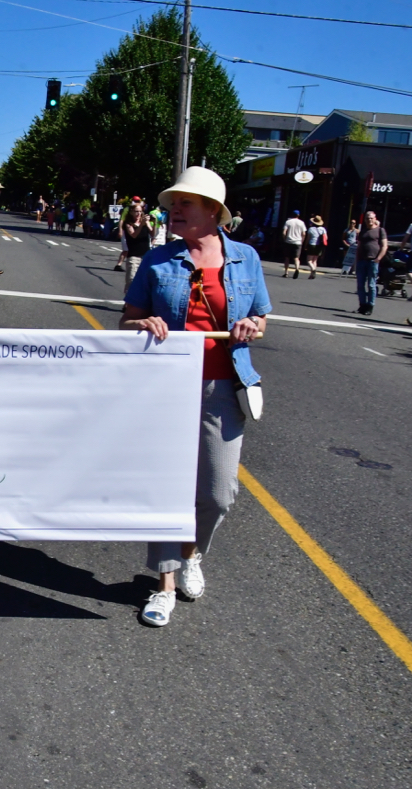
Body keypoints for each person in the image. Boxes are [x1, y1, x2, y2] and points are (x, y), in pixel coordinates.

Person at [120, 166, 271, 628]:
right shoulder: (158, 261)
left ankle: (192, 555)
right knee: (168, 488)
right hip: (166, 386)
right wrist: (143, 325)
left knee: (218, 493)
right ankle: (163, 585)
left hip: (224, 386)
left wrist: (251, 327)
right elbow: (127, 321)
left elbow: (261, 318)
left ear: (212, 212)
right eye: (174, 204)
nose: (175, 210)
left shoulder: (246, 258)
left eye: (185, 203)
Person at [355, 210, 387, 315]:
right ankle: (362, 305)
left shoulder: (380, 230)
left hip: (373, 261)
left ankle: (370, 305)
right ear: (365, 220)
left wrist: (378, 258)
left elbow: (384, 246)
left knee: (372, 284)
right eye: (367, 218)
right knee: (360, 284)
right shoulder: (362, 232)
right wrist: (356, 261)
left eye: (371, 218)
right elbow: (358, 247)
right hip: (361, 261)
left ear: (375, 219)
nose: (369, 220)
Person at [120, 203, 152, 295]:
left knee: (144, 281)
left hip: (145, 256)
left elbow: (153, 234)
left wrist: (153, 222)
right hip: (134, 256)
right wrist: (141, 225)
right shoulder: (128, 224)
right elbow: (134, 235)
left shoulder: (144, 222)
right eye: (136, 211)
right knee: (131, 280)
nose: (138, 213)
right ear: (131, 212)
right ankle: (127, 303)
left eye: (140, 211)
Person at [281, 209, 306, 278]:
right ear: (298, 215)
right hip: (298, 242)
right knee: (296, 258)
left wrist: (284, 239)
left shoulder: (288, 222)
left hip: (288, 241)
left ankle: (286, 272)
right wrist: (302, 241)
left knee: (287, 257)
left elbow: (284, 232)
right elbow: (303, 233)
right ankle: (297, 268)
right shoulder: (301, 223)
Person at [304, 215, 327, 279]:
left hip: (312, 244)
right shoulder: (323, 229)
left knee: (309, 260)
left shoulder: (311, 229)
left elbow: (308, 238)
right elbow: (326, 238)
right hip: (319, 245)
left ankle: (313, 269)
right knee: (315, 260)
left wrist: (305, 245)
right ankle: (312, 274)